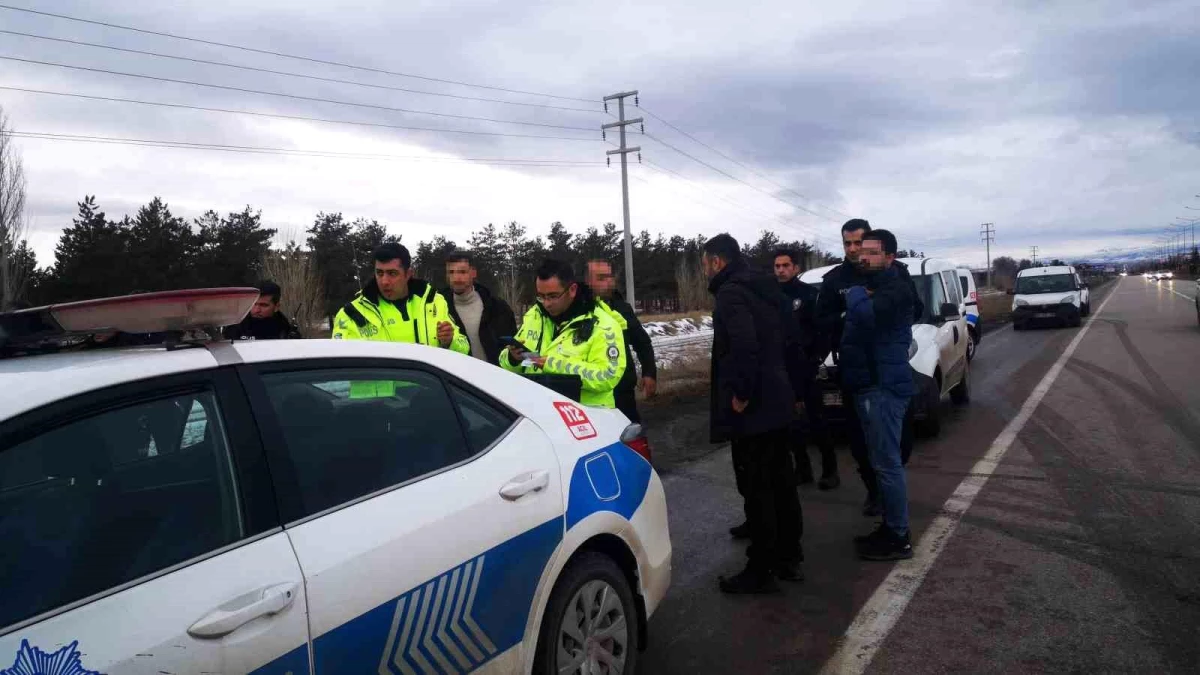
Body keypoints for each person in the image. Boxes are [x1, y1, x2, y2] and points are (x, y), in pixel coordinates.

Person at [704, 234, 803, 594]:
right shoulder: (766, 287)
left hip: (755, 407)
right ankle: (790, 556)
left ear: (717, 261)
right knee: (782, 482)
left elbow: (744, 345)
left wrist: (742, 394)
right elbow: (791, 337)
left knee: (758, 487)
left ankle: (761, 568)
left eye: (706, 262)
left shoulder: (732, 293)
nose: (705, 269)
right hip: (778, 397)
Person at [816, 219, 922, 516]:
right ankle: (875, 492)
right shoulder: (835, 280)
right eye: (847, 244)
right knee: (859, 439)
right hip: (853, 368)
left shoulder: (895, 273)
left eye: (858, 243)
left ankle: (892, 489)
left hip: (889, 365)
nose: (853, 249)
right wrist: (849, 317)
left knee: (900, 438)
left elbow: (917, 308)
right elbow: (821, 320)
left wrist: (886, 314)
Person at [841, 229, 916, 560]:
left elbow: (867, 317)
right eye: (862, 251)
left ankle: (899, 536)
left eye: (872, 252)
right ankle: (890, 527)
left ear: (890, 257)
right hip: (871, 385)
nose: (863, 256)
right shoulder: (882, 286)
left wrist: (856, 294)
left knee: (887, 465)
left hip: (883, 387)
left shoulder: (895, 288)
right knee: (882, 462)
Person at [500, 259, 626, 409]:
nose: (546, 303)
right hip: (538, 412)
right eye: (541, 296)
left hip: (587, 420)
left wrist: (552, 364)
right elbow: (505, 363)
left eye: (553, 296)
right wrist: (513, 359)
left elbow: (607, 376)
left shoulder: (603, 325)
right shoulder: (534, 316)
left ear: (572, 290)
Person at [773, 248, 839, 490]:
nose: (781, 270)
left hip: (806, 367)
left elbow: (822, 331)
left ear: (796, 268)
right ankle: (802, 470)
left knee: (817, 420)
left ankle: (830, 471)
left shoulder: (809, 295)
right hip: (782, 369)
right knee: (791, 424)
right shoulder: (771, 296)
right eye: (777, 266)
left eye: (785, 265)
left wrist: (815, 359)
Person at [332, 243, 469, 354]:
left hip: (429, 388)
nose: (384, 281)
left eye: (392, 273)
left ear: (408, 274)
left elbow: (464, 347)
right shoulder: (352, 314)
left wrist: (450, 341)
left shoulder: (433, 303)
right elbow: (338, 365)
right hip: (380, 389)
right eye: (379, 273)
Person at [585, 259, 657, 423]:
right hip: (592, 396)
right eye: (601, 278)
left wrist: (649, 373)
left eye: (610, 277)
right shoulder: (579, 311)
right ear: (588, 281)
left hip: (623, 392)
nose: (608, 282)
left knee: (631, 440)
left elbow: (642, 342)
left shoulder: (622, 308)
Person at [443, 251, 517, 365]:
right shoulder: (438, 309)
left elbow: (514, 349)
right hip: (456, 380)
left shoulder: (498, 308)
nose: (456, 278)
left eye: (462, 272)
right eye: (451, 272)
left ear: (473, 273)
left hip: (494, 379)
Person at [223, 281, 302, 340]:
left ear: (276, 307)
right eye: (253, 304)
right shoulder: (235, 326)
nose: (256, 310)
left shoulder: (286, 331)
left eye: (263, 305)